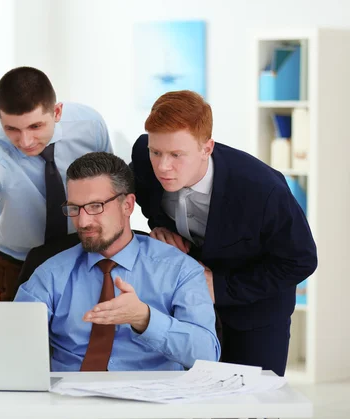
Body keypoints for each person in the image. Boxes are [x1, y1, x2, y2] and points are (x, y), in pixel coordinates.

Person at [129, 90, 317, 376]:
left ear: (207, 148)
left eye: (176, 155)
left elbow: (301, 260)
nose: (163, 166)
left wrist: (220, 287)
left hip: (255, 314)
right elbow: (144, 196)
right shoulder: (145, 158)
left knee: (251, 406)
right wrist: (161, 226)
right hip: (186, 308)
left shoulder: (263, 190)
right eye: (157, 152)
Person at [15, 152, 219, 371]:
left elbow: (207, 355)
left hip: (150, 399)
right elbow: (12, 344)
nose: (83, 222)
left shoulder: (179, 269)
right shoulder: (51, 274)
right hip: (69, 400)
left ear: (128, 205)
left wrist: (145, 318)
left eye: (95, 206)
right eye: (74, 208)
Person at [0, 66, 113, 302]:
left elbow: (111, 188)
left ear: (57, 112)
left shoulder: (89, 125)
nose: (25, 141)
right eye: (12, 129)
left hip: (85, 258)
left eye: (35, 126)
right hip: (15, 266)